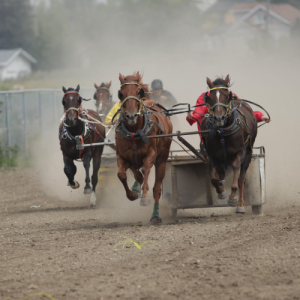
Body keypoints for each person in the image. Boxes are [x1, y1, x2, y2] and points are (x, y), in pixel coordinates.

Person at [186, 91, 271, 136]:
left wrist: (261, 117)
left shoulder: (231, 96)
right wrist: (191, 117)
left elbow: (243, 112)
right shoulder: (205, 97)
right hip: (210, 141)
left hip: (232, 139)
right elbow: (198, 113)